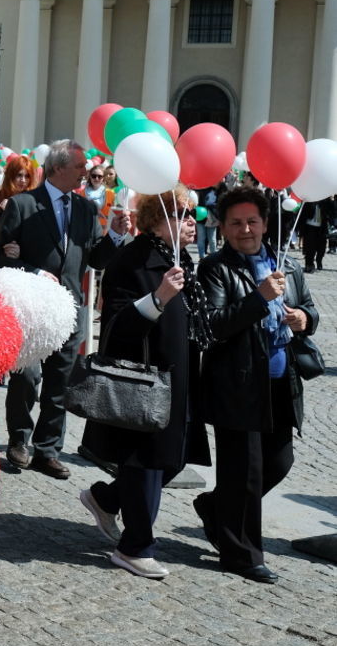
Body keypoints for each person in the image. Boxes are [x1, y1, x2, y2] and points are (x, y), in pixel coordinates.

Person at [78, 186, 212, 579]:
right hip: (144, 379)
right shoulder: (133, 258)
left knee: (174, 459)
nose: (192, 222)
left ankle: (105, 497)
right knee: (147, 463)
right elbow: (116, 326)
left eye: (193, 215)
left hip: (180, 375)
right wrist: (158, 298)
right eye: (182, 214)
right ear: (156, 218)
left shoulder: (180, 257)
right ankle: (135, 546)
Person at [195, 186, 319, 584]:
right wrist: (258, 297)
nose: (245, 229)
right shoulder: (214, 267)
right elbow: (214, 325)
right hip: (238, 382)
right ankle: (242, 555)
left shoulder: (289, 266)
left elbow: (311, 311)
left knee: (279, 462)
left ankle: (216, 509)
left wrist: (303, 318)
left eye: (252, 221)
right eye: (236, 223)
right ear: (223, 227)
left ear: (266, 224)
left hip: (283, 380)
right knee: (242, 472)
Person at [0, 140, 125, 479]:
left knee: (60, 381)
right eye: (79, 166)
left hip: (69, 309)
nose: (85, 172)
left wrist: (115, 239)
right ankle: (19, 439)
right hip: (32, 308)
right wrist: (33, 271)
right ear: (58, 168)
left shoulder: (86, 209)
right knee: (27, 376)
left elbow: (95, 258)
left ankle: (47, 450)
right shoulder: (22, 205)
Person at [0, 156, 35, 228]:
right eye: (19, 175)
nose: (23, 180)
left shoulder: (32, 200)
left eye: (27, 176)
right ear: (11, 176)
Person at [297, 196, 335, 273]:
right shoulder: (309, 201)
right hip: (310, 227)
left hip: (321, 228)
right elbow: (303, 214)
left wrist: (331, 200)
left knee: (321, 247)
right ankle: (309, 264)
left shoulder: (326, 201)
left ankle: (319, 260)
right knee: (310, 248)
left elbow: (333, 211)